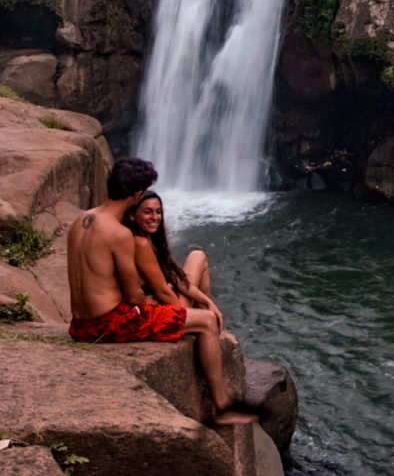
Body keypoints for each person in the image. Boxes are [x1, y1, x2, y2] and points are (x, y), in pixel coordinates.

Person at [67, 156, 255, 425]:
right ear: (136, 194)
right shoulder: (119, 234)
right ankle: (222, 407)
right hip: (108, 325)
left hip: (80, 325)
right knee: (206, 321)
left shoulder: (81, 220)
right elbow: (134, 297)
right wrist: (153, 301)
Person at [124, 190, 222, 327]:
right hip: (163, 307)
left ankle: (205, 313)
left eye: (158, 212)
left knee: (197, 255)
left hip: (167, 299)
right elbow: (162, 291)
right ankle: (204, 322)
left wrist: (207, 301)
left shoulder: (152, 240)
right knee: (198, 258)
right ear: (132, 215)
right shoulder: (139, 243)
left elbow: (176, 279)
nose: (155, 217)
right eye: (148, 212)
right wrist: (186, 315)